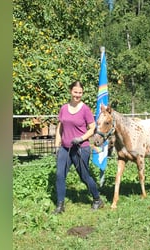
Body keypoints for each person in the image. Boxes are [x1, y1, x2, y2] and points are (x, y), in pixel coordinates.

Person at [53, 80, 104, 214]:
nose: (78, 95)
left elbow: (92, 128)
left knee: (84, 176)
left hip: (81, 148)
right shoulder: (64, 108)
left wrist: (81, 138)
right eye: (75, 92)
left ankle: (97, 199)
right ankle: (60, 205)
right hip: (65, 147)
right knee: (59, 175)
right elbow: (60, 127)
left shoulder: (85, 109)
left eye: (80, 93)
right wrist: (57, 145)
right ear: (71, 91)